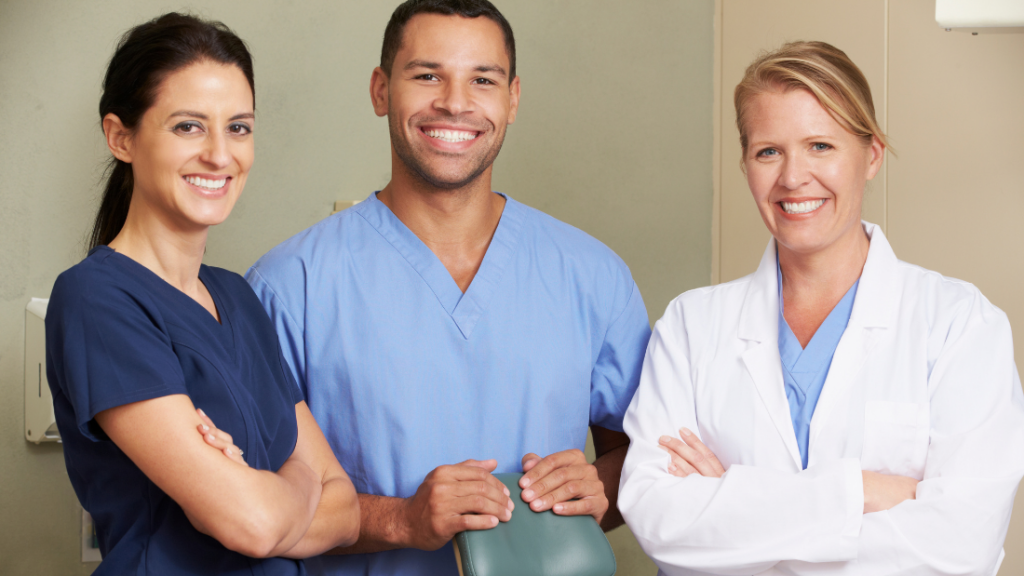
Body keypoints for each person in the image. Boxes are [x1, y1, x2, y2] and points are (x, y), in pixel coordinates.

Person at [243, 0, 652, 573]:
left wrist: (599, 489)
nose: (455, 102)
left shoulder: (592, 275)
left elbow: (637, 456)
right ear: (381, 90)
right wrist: (400, 519)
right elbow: (251, 499)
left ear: (512, 99)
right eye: (427, 75)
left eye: (481, 79)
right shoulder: (290, 286)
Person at [618, 41, 1024, 575]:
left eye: (820, 146)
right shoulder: (692, 326)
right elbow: (657, 518)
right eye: (768, 151)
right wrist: (858, 492)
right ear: (745, 164)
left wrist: (731, 502)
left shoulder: (959, 325)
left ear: (872, 155)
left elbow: (959, 547)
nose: (792, 177)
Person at [45, 13, 359, 575]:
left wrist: (262, 492)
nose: (220, 154)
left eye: (238, 127)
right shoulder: (97, 301)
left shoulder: (238, 297)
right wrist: (299, 477)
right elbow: (254, 524)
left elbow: (347, 513)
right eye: (189, 126)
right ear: (122, 137)